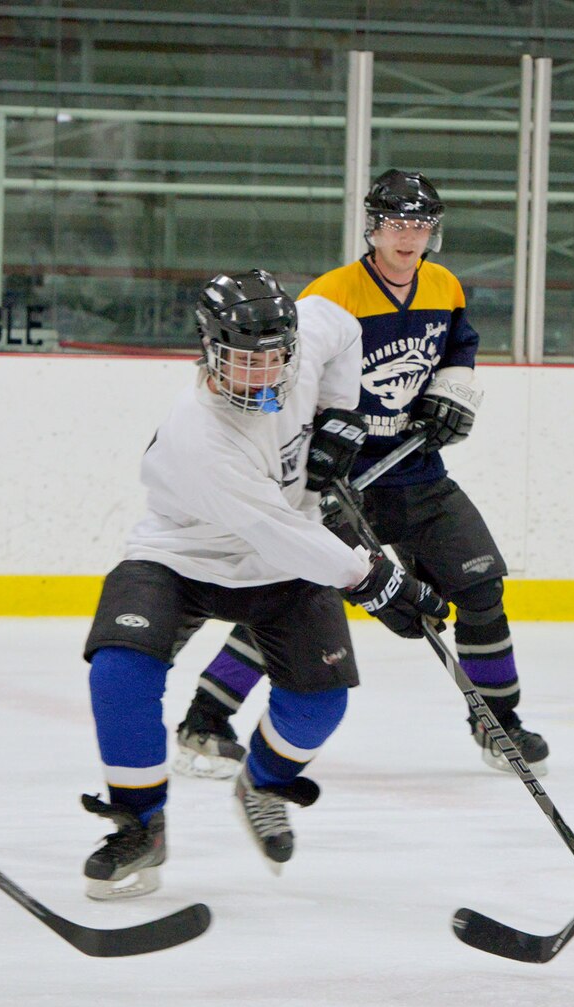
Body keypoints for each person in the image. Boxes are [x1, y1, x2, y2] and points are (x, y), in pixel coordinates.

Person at [78, 269, 444, 899]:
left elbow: (346, 326)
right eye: (244, 360)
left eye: (275, 357)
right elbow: (277, 532)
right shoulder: (201, 432)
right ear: (210, 350)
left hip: (279, 564)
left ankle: (264, 785)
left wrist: (342, 414)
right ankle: (139, 826)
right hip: (182, 555)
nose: (263, 373)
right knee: (118, 670)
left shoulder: (305, 342)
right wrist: (376, 580)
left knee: (321, 705)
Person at [172, 169, 549, 777]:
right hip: (342, 483)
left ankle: (499, 725)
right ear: (374, 226)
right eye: (398, 223)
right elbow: (286, 375)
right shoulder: (331, 295)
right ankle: (205, 720)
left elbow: (458, 350)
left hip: (419, 472)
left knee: (482, 589)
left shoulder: (444, 285)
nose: (409, 236)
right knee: (298, 600)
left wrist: (453, 391)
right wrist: (317, 445)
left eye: (421, 224)